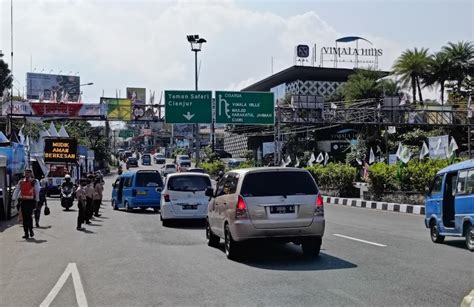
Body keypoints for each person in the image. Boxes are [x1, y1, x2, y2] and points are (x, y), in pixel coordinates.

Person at [12, 169, 40, 239]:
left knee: (29, 217)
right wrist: (13, 198)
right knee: (24, 218)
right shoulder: (21, 181)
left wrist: (37, 200)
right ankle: (26, 233)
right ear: (24, 174)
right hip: (23, 201)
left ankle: (31, 230)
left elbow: (37, 191)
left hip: (30, 202)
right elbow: (17, 190)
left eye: (28, 173)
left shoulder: (34, 181)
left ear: (30, 174)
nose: (27, 174)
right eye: (25, 173)